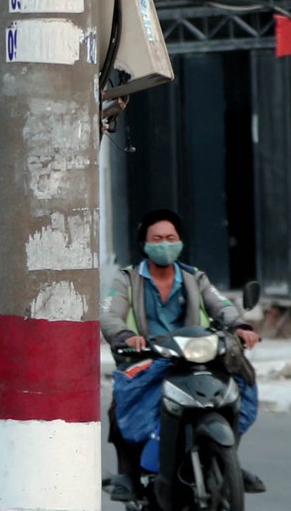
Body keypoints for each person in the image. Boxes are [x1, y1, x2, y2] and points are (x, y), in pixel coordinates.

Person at [100, 207, 261, 492]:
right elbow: (110, 315)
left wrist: (239, 326)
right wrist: (127, 336)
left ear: (181, 241)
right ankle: (130, 472)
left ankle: (228, 459)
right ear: (144, 244)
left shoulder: (195, 277)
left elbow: (220, 305)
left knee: (238, 386)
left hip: (195, 354)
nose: (165, 244)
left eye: (171, 238)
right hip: (149, 356)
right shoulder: (126, 279)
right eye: (157, 238)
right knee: (123, 400)